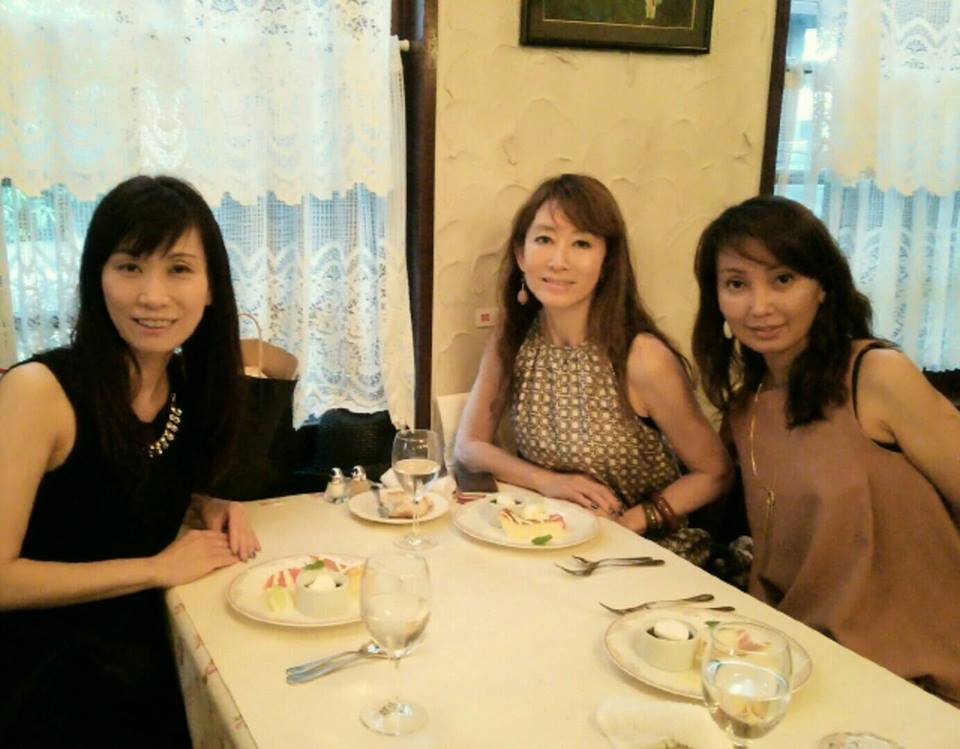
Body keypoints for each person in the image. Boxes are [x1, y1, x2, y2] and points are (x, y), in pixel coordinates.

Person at [0, 175, 262, 747]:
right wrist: (155, 568)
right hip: (44, 677)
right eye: (129, 266)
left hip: (146, 651)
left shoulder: (185, 386)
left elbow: (114, 495)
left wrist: (205, 503)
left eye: (179, 269)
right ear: (97, 278)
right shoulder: (40, 392)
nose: (152, 295)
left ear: (212, 288)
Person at [692, 194, 960, 704]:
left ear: (823, 287)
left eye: (783, 279)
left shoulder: (876, 377)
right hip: (811, 662)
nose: (760, 306)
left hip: (924, 670)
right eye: (736, 284)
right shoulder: (747, 411)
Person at [455, 174, 732, 563]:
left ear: (606, 261)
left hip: (645, 552)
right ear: (521, 254)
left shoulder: (641, 357)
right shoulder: (514, 336)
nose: (558, 261)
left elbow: (715, 473)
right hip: (555, 543)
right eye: (544, 239)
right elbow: (468, 446)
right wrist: (548, 482)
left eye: (581, 243)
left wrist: (628, 523)